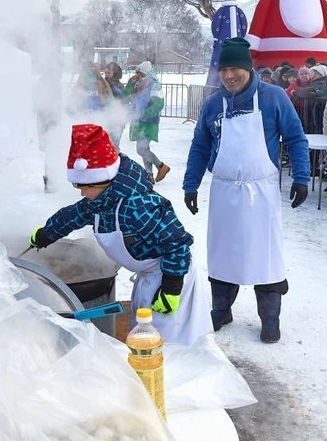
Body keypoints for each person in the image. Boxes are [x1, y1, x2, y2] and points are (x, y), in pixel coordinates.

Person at [30, 124, 212, 344]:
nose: (82, 192)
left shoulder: (138, 206)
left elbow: (177, 244)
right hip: (149, 279)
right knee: (145, 339)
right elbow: (71, 216)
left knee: (170, 344)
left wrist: (172, 287)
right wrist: (46, 234)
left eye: (85, 186)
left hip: (170, 276)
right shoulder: (99, 200)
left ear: (104, 180)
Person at [182, 37, 311, 344]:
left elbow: (295, 138)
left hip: (260, 191)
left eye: (235, 68)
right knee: (222, 253)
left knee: (264, 256)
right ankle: (221, 309)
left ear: (248, 68)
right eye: (223, 69)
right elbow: (200, 145)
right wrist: (191, 184)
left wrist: (302, 177)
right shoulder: (213, 103)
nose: (229, 75)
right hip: (224, 191)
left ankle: (270, 319)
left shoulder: (273, 97)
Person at [129, 61, 170, 183]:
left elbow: (159, 103)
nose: (138, 75)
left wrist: (145, 114)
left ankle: (162, 166)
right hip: (140, 120)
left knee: (141, 149)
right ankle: (149, 175)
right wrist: (131, 83)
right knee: (144, 149)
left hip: (148, 122)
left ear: (145, 73)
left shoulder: (153, 84)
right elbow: (127, 95)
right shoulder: (139, 84)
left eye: (140, 73)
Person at [103, 62, 129, 150]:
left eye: (108, 73)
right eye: (105, 73)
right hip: (106, 118)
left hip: (117, 120)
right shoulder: (102, 85)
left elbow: (124, 101)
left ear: (115, 73)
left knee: (113, 147)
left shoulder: (119, 87)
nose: (106, 75)